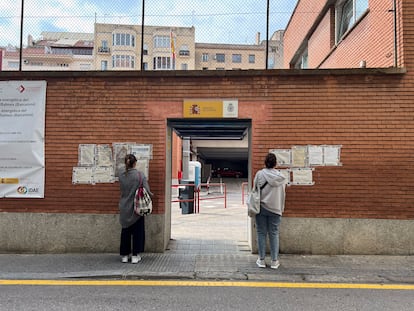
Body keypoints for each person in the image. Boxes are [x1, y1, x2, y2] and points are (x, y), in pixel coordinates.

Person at [254, 153, 287, 269]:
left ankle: (261, 260)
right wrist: (281, 208)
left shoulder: (260, 174)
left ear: (265, 162)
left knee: (261, 233)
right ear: (275, 163)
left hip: (261, 208)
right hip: (276, 208)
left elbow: (255, 190)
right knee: (274, 234)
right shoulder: (281, 177)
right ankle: (274, 261)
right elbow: (283, 194)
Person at [118, 154, 153, 264]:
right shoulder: (140, 175)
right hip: (137, 207)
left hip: (124, 207)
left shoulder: (121, 175)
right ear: (135, 163)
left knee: (125, 232)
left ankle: (124, 255)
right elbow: (146, 189)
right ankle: (135, 255)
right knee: (138, 232)